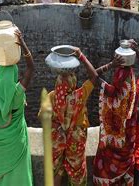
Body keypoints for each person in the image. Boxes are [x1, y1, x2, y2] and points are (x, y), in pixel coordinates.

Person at [93, 40, 139, 185]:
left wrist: (111, 65)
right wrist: (137, 52)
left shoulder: (111, 92)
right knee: (124, 168)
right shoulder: (136, 88)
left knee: (105, 165)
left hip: (114, 146)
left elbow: (93, 74)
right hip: (128, 141)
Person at [0, 23, 34, 185]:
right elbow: (30, 68)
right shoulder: (18, 94)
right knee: (18, 174)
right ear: (14, 75)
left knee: (3, 176)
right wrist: (22, 43)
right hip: (16, 139)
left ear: (0, 76)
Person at [48, 48, 98, 186]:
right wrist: (81, 55)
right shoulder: (79, 96)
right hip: (75, 141)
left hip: (58, 139)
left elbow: (43, 116)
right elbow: (94, 76)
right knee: (77, 173)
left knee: (57, 169)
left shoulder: (52, 96)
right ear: (73, 83)